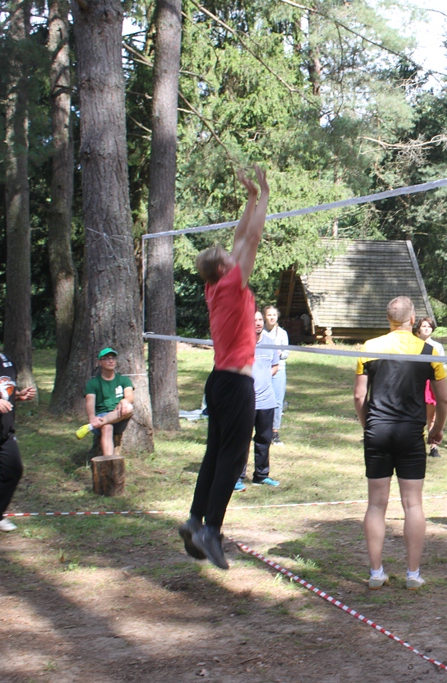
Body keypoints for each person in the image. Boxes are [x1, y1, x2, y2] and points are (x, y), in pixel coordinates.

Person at [178, 165, 269, 570]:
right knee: (232, 458)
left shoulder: (215, 284)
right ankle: (210, 530)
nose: (234, 257)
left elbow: (238, 239)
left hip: (218, 381)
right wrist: (264, 193)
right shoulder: (232, 283)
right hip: (234, 384)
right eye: (228, 259)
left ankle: (196, 519)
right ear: (225, 269)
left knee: (215, 453)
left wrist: (248, 198)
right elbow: (251, 237)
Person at [353, 297, 447, 590]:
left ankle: (375, 573)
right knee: (413, 504)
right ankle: (413, 574)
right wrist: (437, 430)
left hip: (377, 432)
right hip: (410, 433)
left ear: (388, 318)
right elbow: (444, 399)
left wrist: (366, 423)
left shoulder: (368, 348)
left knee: (376, 504)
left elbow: (359, 397)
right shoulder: (429, 350)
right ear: (412, 319)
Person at [0, 329, 37, 532]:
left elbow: (6, 391)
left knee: (13, 470)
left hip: (4, 430)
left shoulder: (6, 360)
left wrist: (19, 395)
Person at [236, 310, 281, 491]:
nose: (258, 323)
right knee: (241, 440)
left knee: (264, 438)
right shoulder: (240, 344)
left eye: (260, 320)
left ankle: (261, 475)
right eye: (253, 320)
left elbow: (275, 366)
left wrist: (262, 378)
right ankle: (237, 477)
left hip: (267, 401)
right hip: (245, 401)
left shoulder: (271, 343)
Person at [76, 348, 134, 456]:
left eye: (112, 358)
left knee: (129, 407)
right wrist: (92, 418)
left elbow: (130, 396)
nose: (110, 361)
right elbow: (90, 402)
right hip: (101, 416)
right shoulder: (93, 383)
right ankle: (109, 462)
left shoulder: (123, 380)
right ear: (99, 362)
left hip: (119, 415)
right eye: (106, 358)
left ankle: (91, 426)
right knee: (107, 427)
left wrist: (124, 401)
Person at [414, 316, 445, 457]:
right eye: (424, 326)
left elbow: (441, 367)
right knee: (417, 414)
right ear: (419, 328)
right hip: (416, 383)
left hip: (431, 384)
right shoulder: (413, 344)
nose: (426, 328)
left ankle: (433, 446)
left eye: (429, 326)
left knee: (432, 416)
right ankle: (416, 443)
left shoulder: (437, 347)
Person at [262, 306, 289, 446]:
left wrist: (279, 353)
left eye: (274, 315)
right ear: (264, 317)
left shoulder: (282, 334)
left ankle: (275, 432)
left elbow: (286, 353)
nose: (272, 317)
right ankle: (260, 430)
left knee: (278, 401)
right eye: (269, 315)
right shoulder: (260, 332)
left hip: (279, 369)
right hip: (263, 369)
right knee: (260, 400)